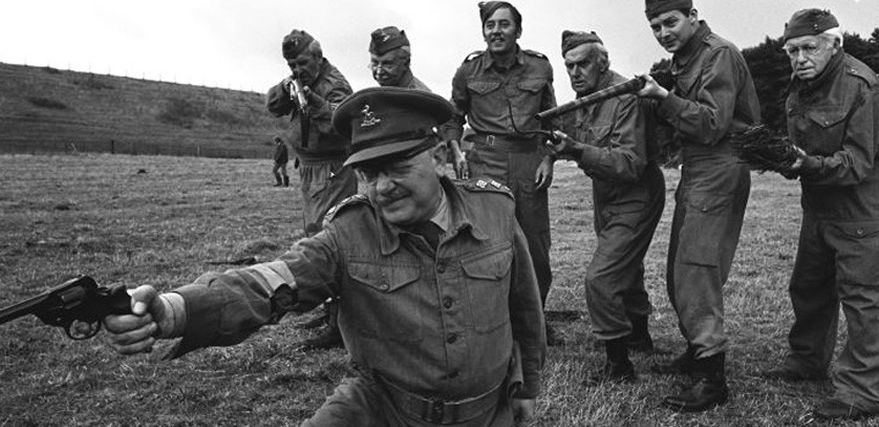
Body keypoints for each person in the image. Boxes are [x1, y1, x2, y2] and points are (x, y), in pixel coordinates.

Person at [105, 87, 547, 426]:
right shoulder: (347, 233)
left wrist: (526, 387)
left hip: (488, 415)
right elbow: (273, 281)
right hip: (381, 409)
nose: (382, 187)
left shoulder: (496, 212)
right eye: (368, 173)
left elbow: (524, 311)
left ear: (438, 157)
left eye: (397, 167)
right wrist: (176, 310)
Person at [769, 8, 879, 421]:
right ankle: (807, 361)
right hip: (821, 204)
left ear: (835, 44)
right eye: (792, 50)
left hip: (865, 206)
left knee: (864, 299)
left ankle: (862, 391)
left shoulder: (863, 86)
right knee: (808, 285)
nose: (800, 58)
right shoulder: (802, 84)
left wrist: (803, 164)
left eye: (809, 47)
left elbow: (858, 164)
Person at [636, 0, 760, 411]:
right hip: (698, 167)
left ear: (692, 15)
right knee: (678, 269)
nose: (664, 32)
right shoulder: (686, 57)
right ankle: (696, 349)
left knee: (696, 270)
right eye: (655, 26)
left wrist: (664, 99)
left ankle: (712, 378)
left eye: (671, 22)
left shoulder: (717, 54)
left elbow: (711, 124)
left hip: (721, 165)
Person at [548, 31, 665, 382]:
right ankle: (639, 336)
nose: (575, 72)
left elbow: (631, 164)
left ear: (603, 61)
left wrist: (577, 151)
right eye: (569, 65)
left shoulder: (624, 97)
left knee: (601, 277)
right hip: (607, 193)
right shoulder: (585, 99)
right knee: (625, 268)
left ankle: (618, 364)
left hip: (636, 193)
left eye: (583, 63)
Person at [447, 1, 558, 343]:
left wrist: (548, 159)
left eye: (503, 24)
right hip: (487, 160)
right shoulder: (469, 71)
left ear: (518, 31)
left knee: (536, 247)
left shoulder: (540, 67)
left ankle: (534, 321)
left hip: (528, 161)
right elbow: (453, 116)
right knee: (489, 245)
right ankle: (495, 321)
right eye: (489, 25)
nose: (496, 31)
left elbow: (552, 118)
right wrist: (455, 151)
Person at [266, 29, 357, 350]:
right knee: (313, 235)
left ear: (318, 57)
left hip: (333, 168)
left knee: (331, 239)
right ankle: (330, 309)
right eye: (291, 64)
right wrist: (288, 87)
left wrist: (313, 100)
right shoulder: (297, 80)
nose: (297, 69)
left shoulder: (335, 85)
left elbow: (342, 123)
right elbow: (272, 104)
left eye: (302, 63)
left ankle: (340, 323)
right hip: (310, 169)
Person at [369, 26, 467, 164]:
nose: (378, 71)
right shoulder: (379, 98)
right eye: (374, 63)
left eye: (387, 64)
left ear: (406, 63)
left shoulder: (422, 101)